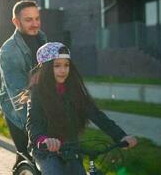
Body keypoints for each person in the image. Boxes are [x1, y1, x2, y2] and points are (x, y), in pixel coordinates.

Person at [26, 42, 137, 175]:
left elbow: (97, 115)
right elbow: (34, 122)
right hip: (45, 150)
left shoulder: (75, 91)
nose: (63, 70)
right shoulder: (38, 93)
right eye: (57, 66)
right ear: (46, 68)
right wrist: (43, 139)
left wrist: (121, 136)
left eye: (66, 65)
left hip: (71, 148)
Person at [0, 0, 47, 171]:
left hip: (42, 103)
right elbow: (18, 96)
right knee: (28, 159)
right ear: (16, 22)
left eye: (37, 18)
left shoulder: (41, 38)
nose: (35, 24)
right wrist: (34, 126)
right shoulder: (9, 52)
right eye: (28, 20)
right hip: (18, 111)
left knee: (37, 158)